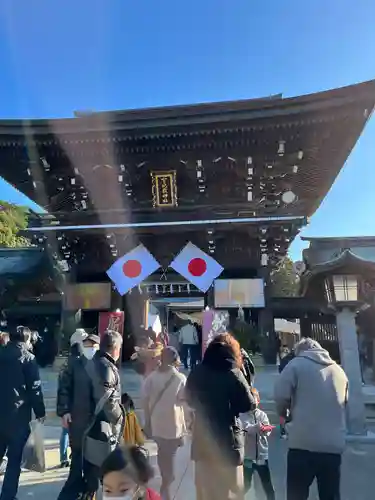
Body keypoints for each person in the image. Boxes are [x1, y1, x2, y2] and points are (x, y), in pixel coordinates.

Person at [274, 337, 348, 500]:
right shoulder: (339, 371)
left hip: (302, 443)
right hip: (332, 445)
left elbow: (280, 395)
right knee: (330, 495)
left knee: (296, 494)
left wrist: (285, 415)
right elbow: (345, 403)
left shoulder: (296, 364)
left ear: (300, 351)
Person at [186, 333, 256, 500]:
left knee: (205, 492)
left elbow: (188, 398)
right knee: (231, 492)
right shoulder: (233, 372)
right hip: (228, 440)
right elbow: (248, 404)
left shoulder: (198, 371)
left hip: (203, 440)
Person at [0, 325, 46, 500]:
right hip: (18, 417)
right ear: (26, 340)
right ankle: (8, 496)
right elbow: (35, 389)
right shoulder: (28, 358)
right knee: (13, 461)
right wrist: (40, 411)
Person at [142, 346, 187, 500]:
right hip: (173, 425)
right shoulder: (180, 378)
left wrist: (147, 422)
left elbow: (145, 402)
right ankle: (165, 489)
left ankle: (165, 485)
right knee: (171, 462)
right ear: (175, 360)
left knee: (162, 452)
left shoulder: (151, 378)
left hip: (157, 424)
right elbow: (184, 401)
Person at [58, 328, 88, 468]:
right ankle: (67, 456)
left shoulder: (67, 362)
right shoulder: (77, 363)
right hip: (74, 404)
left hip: (69, 404)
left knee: (65, 431)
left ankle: (64, 457)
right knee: (68, 431)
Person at [240, 388, 275, 500]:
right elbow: (246, 429)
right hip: (248, 457)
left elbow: (267, 430)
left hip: (262, 456)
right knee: (246, 485)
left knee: (267, 485)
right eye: (251, 401)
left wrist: (266, 429)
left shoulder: (262, 415)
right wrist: (257, 428)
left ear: (258, 400)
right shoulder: (242, 415)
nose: (253, 403)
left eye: (255, 400)